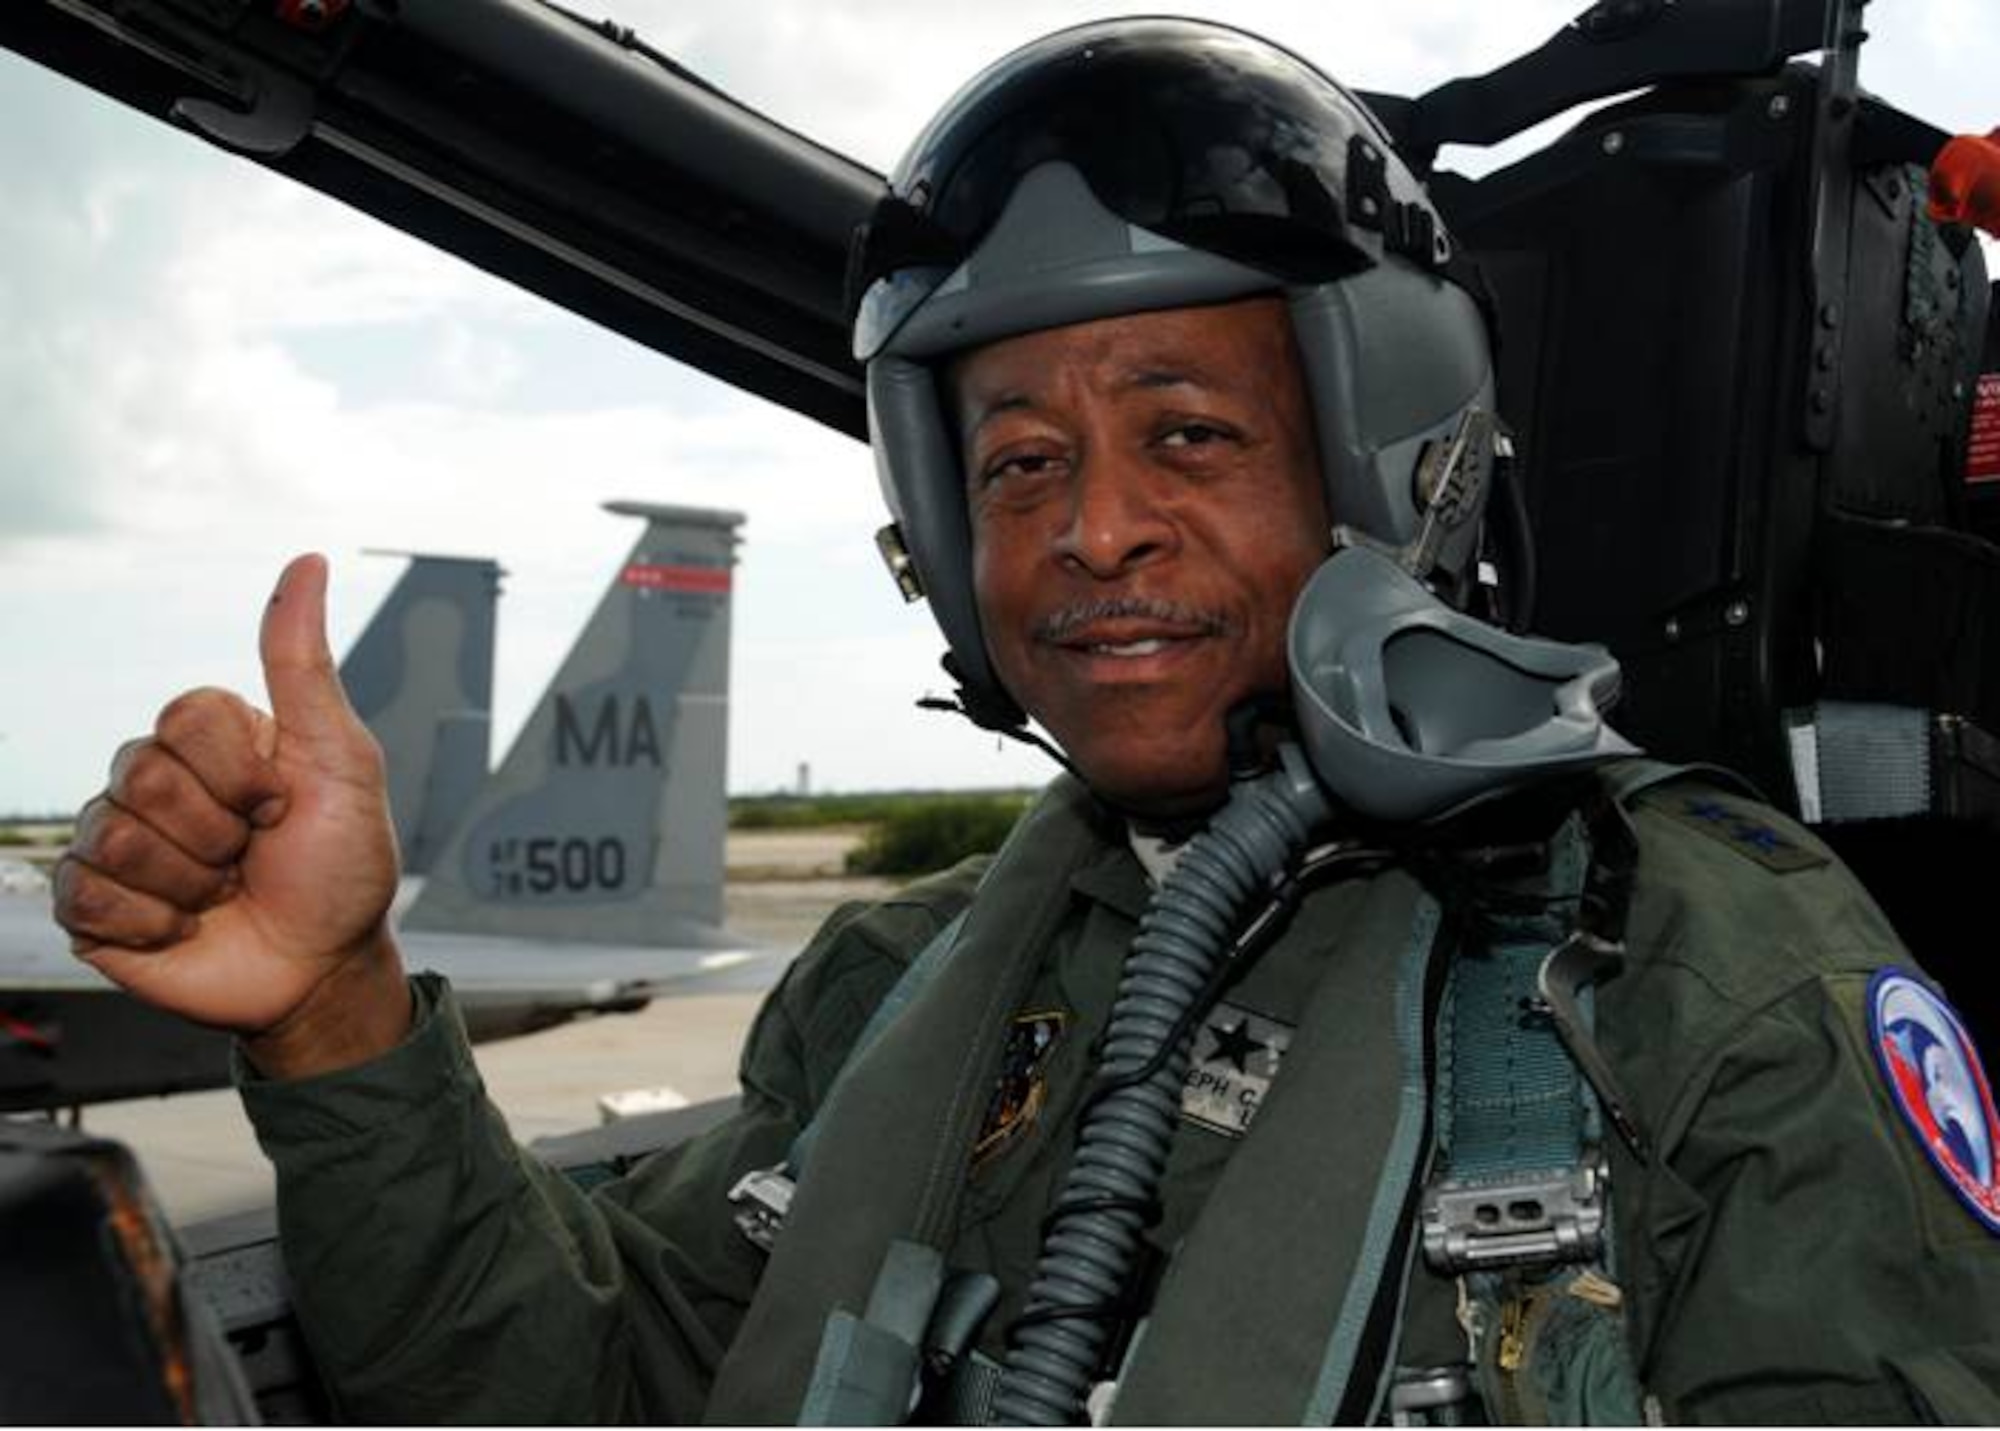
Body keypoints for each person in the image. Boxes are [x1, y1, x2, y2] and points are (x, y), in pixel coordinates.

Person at [53, 17, 2000, 1426]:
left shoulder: (1691, 964)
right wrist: (333, 1002)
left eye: (1187, 434)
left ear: (1387, 469)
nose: (1091, 527)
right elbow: (562, 1382)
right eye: (1014, 462)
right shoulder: (900, 989)